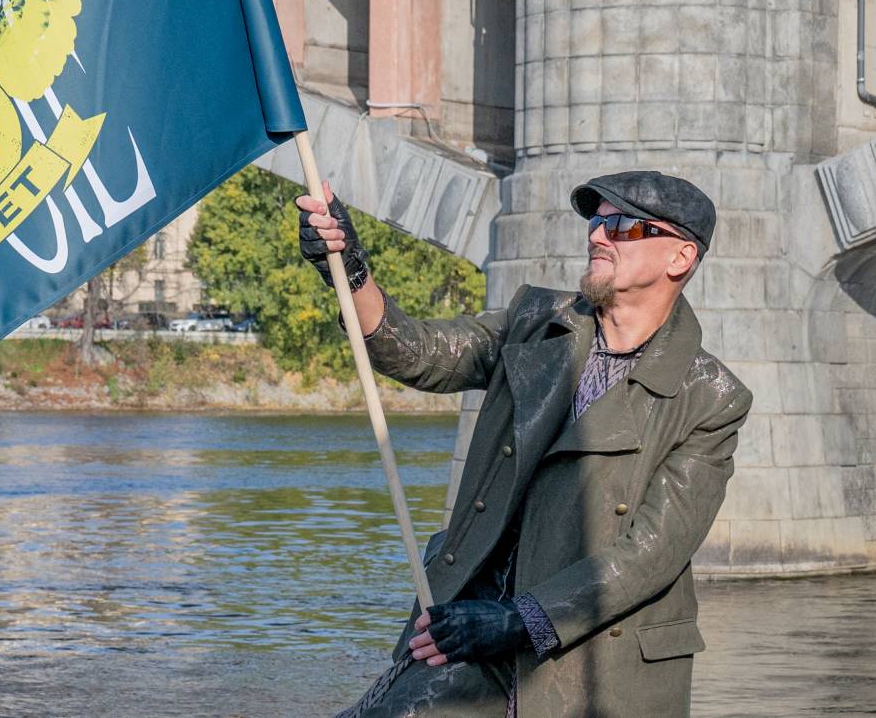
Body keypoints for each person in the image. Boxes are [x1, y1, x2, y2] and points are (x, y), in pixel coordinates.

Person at [296, 170, 751, 718]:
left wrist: (517, 621)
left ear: (680, 258)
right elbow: (418, 352)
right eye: (597, 220)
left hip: (592, 660)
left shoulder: (712, 397)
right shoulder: (535, 321)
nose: (599, 235)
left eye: (626, 226)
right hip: (471, 627)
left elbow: (647, 556)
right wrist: (348, 268)